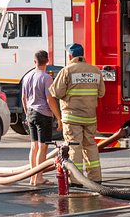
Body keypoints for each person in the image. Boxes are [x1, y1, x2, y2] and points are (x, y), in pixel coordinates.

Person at [49, 43, 105, 186]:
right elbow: (101, 93)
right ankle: (95, 178)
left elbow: (56, 92)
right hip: (90, 117)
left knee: (74, 147)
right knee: (91, 145)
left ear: (70, 56)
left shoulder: (67, 71)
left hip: (72, 117)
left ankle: (76, 180)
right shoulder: (95, 71)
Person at [22, 50, 62, 186]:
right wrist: (58, 117)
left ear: (34, 61)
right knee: (43, 146)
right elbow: (50, 99)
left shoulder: (27, 77)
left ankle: (32, 177)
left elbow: (23, 98)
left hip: (31, 113)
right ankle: (39, 177)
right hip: (43, 114)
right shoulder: (46, 78)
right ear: (48, 61)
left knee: (33, 146)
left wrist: (27, 113)